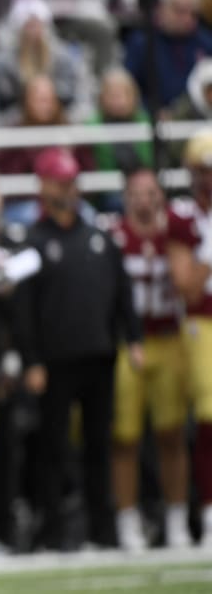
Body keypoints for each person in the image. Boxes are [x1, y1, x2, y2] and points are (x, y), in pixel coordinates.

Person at [14, 147, 143, 551]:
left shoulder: (99, 237)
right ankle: (54, 532)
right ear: (45, 186)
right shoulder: (33, 241)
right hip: (54, 363)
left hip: (100, 356)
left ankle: (102, 530)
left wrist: (133, 338)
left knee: (99, 446)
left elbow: (122, 292)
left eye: (72, 181)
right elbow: (23, 309)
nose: (68, 189)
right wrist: (31, 359)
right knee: (53, 449)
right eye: (61, 182)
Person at [109, 168, 202, 551]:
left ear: (161, 196)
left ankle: (177, 520)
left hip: (169, 339)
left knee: (171, 435)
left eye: (151, 191)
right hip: (130, 343)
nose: (144, 199)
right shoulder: (115, 235)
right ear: (126, 197)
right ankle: (128, 523)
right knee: (125, 438)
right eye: (136, 192)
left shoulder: (176, 232)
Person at [173, 130, 212, 549]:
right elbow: (188, 288)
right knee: (209, 417)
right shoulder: (185, 218)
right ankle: (209, 510)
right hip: (203, 321)